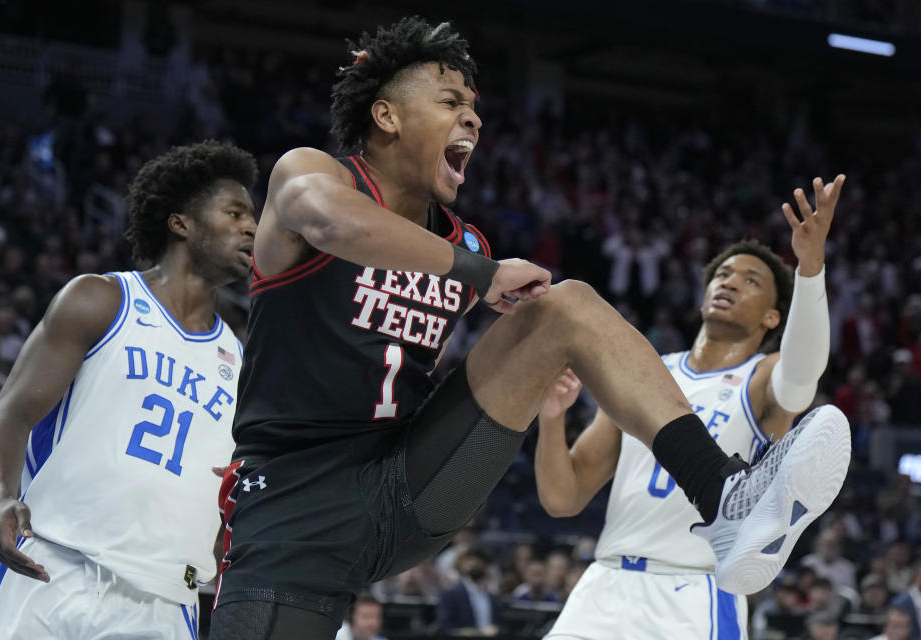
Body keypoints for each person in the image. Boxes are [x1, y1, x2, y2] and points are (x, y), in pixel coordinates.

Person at [208, 17, 851, 640]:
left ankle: (724, 496)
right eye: (451, 101)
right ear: (387, 115)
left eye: (475, 107)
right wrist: (481, 274)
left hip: (404, 485)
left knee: (566, 306)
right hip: (295, 503)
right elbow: (331, 223)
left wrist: (536, 356)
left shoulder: (465, 243)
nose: (474, 118)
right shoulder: (311, 173)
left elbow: (503, 336)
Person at [536, 176, 851, 639]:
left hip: (693, 593)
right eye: (722, 274)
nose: (729, 282)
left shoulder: (763, 376)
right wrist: (551, 418)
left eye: (750, 280)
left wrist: (810, 267)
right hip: (604, 582)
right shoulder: (644, 371)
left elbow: (803, 376)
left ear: (772, 317)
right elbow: (563, 498)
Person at [0, 141, 258, 639]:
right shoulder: (101, 300)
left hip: (165, 600)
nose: (251, 227)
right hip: (52, 570)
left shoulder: (239, 360)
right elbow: (11, 415)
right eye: (234, 212)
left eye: (251, 216)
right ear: (181, 222)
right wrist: (0, 498)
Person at [435, 547, 501, 636]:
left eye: (479, 563)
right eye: (470, 562)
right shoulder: (451, 594)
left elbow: (499, 625)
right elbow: (445, 627)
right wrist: (478, 633)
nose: (474, 564)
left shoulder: (493, 597)